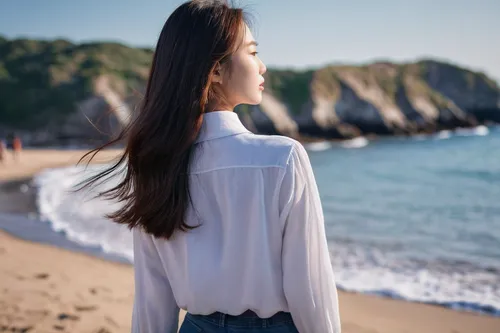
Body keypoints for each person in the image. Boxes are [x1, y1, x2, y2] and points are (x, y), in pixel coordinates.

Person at [76, 1, 341, 332]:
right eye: (252, 52)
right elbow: (310, 287)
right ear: (215, 70)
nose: (263, 67)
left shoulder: (156, 162)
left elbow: (152, 300)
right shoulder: (283, 158)